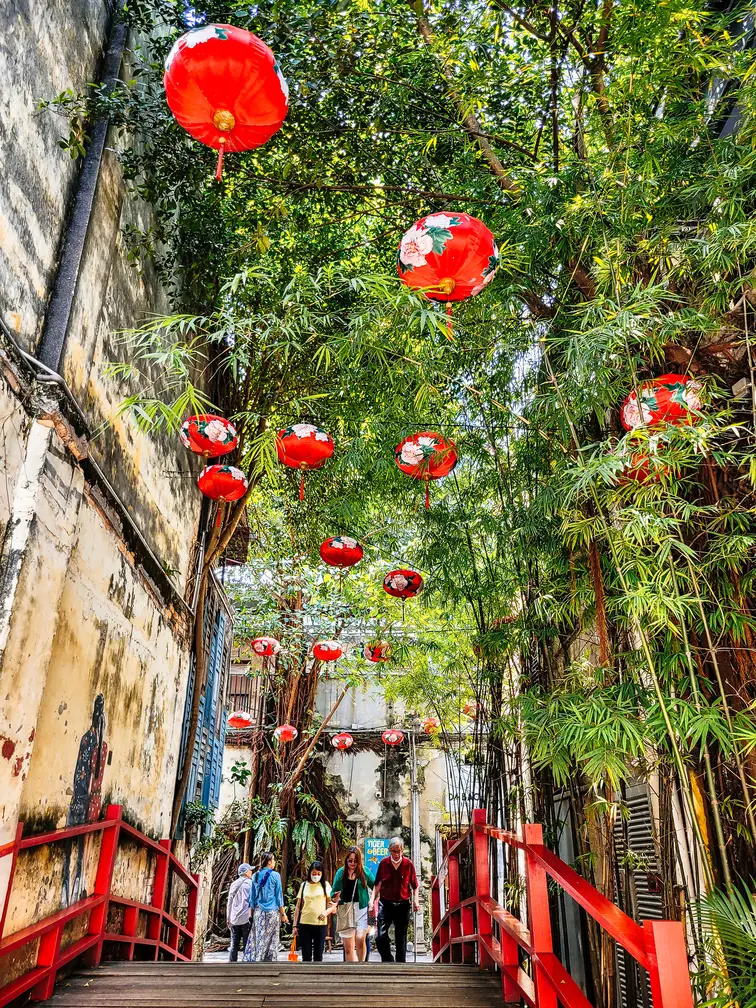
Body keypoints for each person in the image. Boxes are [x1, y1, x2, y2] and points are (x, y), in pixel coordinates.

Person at [371, 837, 420, 963]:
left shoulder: (408, 864)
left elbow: (415, 886)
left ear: (402, 850)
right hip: (386, 903)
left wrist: (416, 901)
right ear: (389, 851)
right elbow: (377, 884)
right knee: (380, 937)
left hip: (403, 904)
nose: (396, 854)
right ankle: (388, 960)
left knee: (401, 939)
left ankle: (401, 967)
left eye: (399, 851)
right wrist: (372, 901)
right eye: (394, 851)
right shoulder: (384, 863)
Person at [331, 845, 375, 962]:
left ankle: (361, 966)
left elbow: (376, 885)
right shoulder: (341, 873)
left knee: (360, 938)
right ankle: (352, 970)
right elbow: (333, 891)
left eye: (355, 861)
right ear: (346, 860)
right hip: (346, 910)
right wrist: (335, 897)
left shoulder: (364, 871)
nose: (352, 863)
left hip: (361, 908)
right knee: (348, 947)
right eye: (350, 861)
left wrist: (373, 900)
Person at [244, 852, 288, 961]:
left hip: (259, 912)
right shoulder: (275, 875)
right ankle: (270, 961)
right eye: (273, 860)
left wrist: (251, 915)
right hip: (272, 913)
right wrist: (283, 914)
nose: (274, 862)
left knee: (259, 937)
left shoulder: (255, 876)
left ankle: (257, 960)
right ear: (269, 862)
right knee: (272, 939)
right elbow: (278, 897)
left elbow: (252, 898)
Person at [293, 860, 335, 962]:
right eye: (314, 873)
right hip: (305, 923)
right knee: (306, 955)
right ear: (310, 873)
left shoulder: (325, 885)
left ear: (322, 874)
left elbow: (332, 905)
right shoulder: (304, 885)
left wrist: (325, 913)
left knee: (318, 955)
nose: (316, 876)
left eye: (318, 874)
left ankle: (317, 976)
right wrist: (294, 925)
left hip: (320, 924)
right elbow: (298, 907)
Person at [226, 863, 254, 962]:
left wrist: (228, 918)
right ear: (246, 872)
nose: (251, 872)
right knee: (247, 943)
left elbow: (229, 902)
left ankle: (232, 964)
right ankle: (246, 964)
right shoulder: (251, 884)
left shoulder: (234, 884)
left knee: (234, 943)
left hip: (234, 918)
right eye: (250, 870)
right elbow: (253, 901)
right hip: (246, 918)